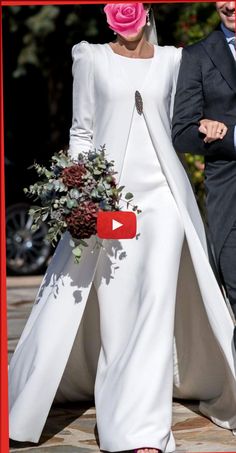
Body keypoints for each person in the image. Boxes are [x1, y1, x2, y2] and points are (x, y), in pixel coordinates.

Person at [8, 3, 236, 453]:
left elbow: (186, 121)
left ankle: (141, 430)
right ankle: (81, 400)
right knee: (115, 309)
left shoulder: (175, 59)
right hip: (108, 201)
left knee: (154, 307)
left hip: (165, 201)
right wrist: (79, 189)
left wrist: (212, 125)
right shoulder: (89, 57)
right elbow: (81, 132)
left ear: (146, 9)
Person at [172, 2, 236, 319]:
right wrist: (209, 130)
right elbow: (181, 131)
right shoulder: (197, 56)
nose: (230, 5)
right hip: (230, 200)